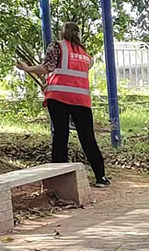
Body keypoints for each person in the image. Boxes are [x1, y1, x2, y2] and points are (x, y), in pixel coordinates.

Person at [16, 23, 109, 187]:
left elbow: (48, 67)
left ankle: (60, 177)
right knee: (87, 138)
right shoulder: (85, 54)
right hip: (81, 100)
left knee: (60, 135)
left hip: (58, 97)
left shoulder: (56, 46)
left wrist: (27, 68)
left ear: (62, 32)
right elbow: (75, 71)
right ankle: (100, 176)